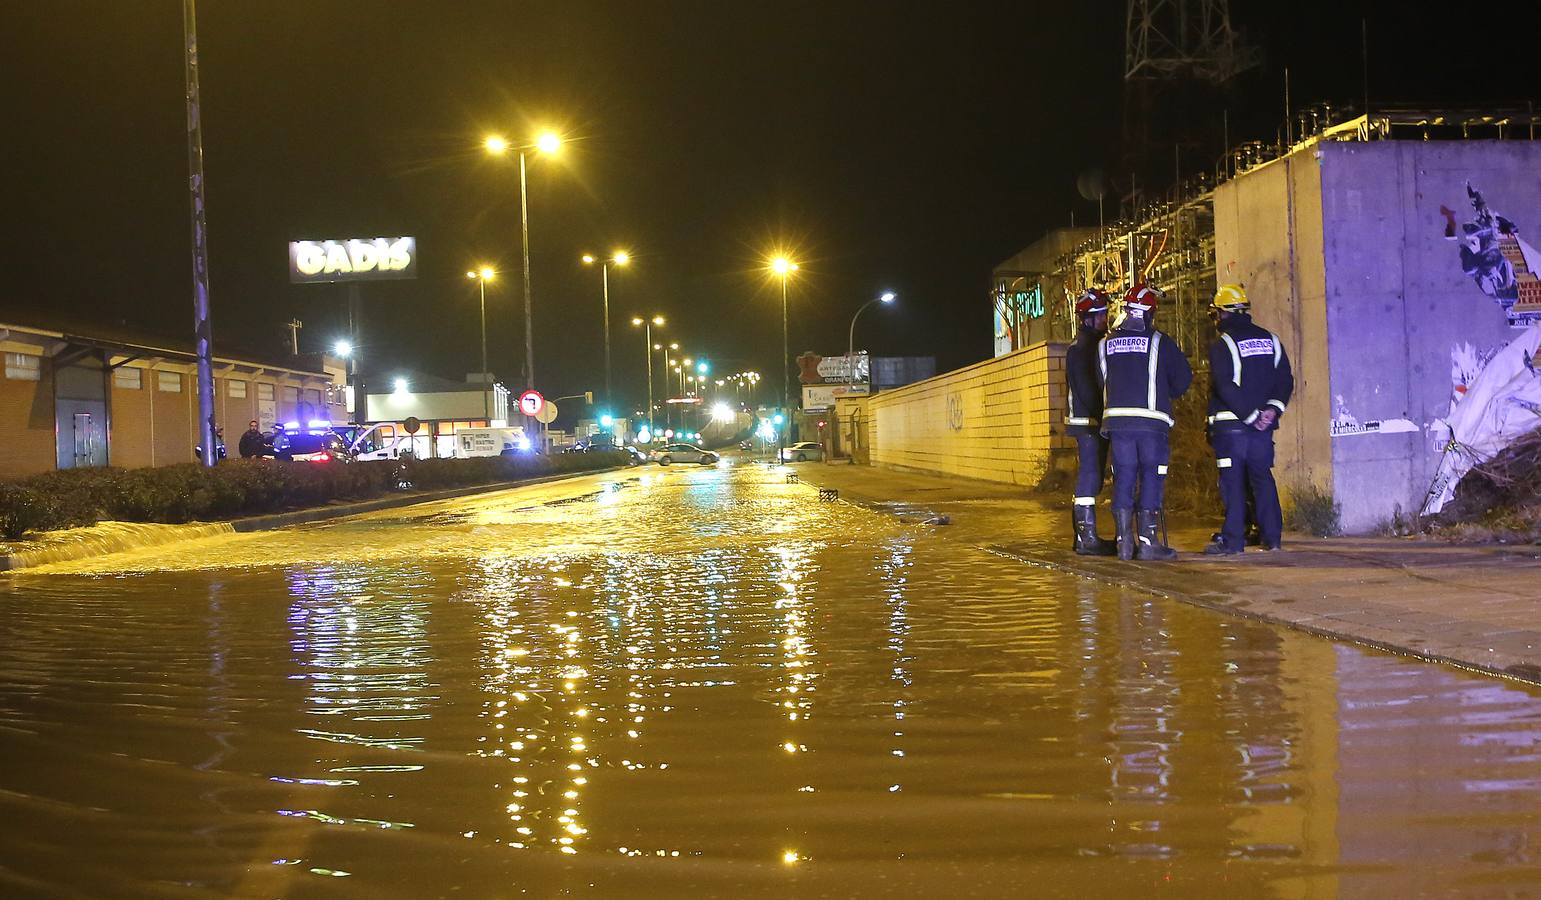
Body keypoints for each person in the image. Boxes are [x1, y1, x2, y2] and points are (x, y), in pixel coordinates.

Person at [1097, 284, 1192, 561]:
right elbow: (1183, 380)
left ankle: (1123, 543)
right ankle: (1148, 543)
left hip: (1118, 425)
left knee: (1123, 476)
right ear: (1151, 313)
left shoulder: (1105, 344)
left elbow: (1101, 380)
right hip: (1152, 425)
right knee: (1152, 475)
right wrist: (1164, 392)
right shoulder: (1161, 342)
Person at [1203, 283, 1294, 554]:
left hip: (1231, 429)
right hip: (1262, 431)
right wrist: (1271, 411)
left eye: (1216, 314)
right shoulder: (1272, 341)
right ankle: (1272, 538)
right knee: (1262, 479)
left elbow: (1225, 386)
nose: (1216, 319)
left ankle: (1233, 541)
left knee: (1232, 483)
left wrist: (1251, 415)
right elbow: (1285, 381)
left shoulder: (1223, 345)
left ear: (1225, 313)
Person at [1065, 288, 1116, 555]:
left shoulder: (1089, 344)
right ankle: (1087, 539)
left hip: (1090, 421)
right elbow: (1087, 388)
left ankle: (1084, 537)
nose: (1106, 318)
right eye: (1102, 315)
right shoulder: (1083, 348)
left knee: (1092, 477)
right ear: (1088, 318)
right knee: (1091, 475)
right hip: (1088, 422)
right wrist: (1103, 415)